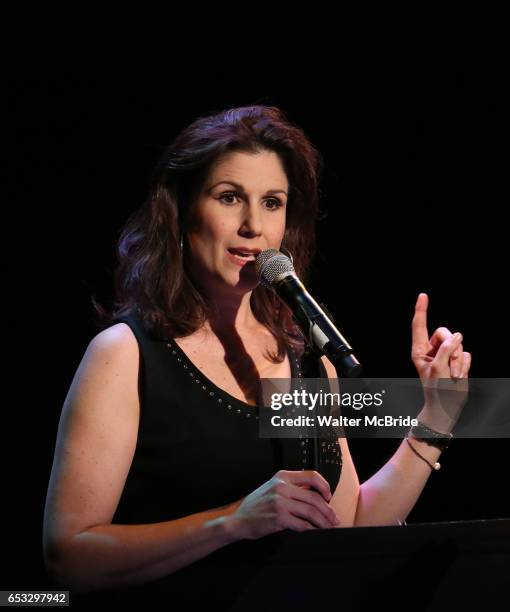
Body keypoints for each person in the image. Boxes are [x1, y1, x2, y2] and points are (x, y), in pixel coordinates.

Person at [42, 105, 472, 608]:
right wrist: (232, 522)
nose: (253, 226)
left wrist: (435, 418)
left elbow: (348, 528)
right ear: (181, 210)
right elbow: (68, 554)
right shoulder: (126, 354)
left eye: (272, 203)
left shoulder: (307, 360)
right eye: (229, 198)